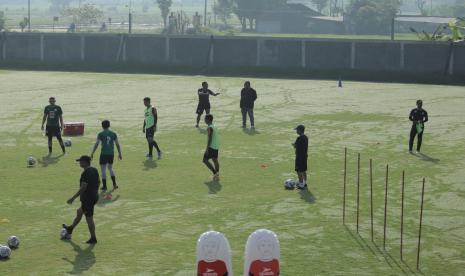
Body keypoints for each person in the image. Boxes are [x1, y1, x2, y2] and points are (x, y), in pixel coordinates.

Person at [63, 155, 100, 244]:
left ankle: (93, 238)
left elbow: (83, 187)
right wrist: (94, 191)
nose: (79, 163)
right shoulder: (94, 169)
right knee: (79, 212)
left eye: (80, 161)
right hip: (94, 197)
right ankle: (70, 228)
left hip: (88, 199)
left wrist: (73, 198)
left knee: (89, 219)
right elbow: (99, 182)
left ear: (84, 162)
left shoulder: (86, 173)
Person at [90, 120, 122, 191]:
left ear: (102, 126)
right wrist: (120, 153)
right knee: (110, 169)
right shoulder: (113, 134)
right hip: (111, 154)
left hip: (103, 154)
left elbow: (97, 144)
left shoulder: (100, 134)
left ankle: (104, 186)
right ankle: (114, 184)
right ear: (109, 125)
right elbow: (117, 144)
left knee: (103, 170)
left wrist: (92, 153)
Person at [203, 114, 220, 181]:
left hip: (211, 147)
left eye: (205, 119)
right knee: (215, 160)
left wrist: (207, 147)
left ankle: (215, 173)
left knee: (205, 160)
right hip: (216, 146)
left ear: (208, 120)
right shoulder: (215, 126)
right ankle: (217, 174)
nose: (204, 120)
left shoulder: (209, 128)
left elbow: (210, 138)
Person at [293, 124, 308, 189]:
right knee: (304, 170)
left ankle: (301, 184)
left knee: (299, 171)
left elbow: (296, 146)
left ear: (300, 130)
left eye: (297, 130)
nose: (296, 131)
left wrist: (293, 144)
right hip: (304, 156)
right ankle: (304, 182)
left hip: (299, 157)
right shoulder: (306, 137)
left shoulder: (299, 138)